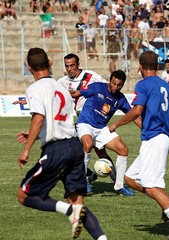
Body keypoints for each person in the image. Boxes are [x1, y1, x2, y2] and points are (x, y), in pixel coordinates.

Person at [16, 48, 107, 240]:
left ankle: (67, 211)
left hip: (57, 149)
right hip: (75, 148)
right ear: (49, 63)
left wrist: (27, 149)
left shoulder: (35, 88)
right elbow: (56, 118)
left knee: (24, 195)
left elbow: (39, 118)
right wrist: (35, 132)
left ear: (29, 67)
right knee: (78, 203)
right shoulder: (62, 89)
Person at [108, 51, 169, 240]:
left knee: (152, 186)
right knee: (129, 178)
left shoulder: (143, 84)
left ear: (140, 66)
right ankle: (167, 202)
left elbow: (137, 109)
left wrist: (116, 124)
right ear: (157, 66)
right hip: (158, 139)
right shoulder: (167, 87)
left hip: (154, 139)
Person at [75, 70, 141, 196]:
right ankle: (82, 182)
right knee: (88, 145)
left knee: (123, 150)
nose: (116, 87)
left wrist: (145, 130)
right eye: (114, 83)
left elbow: (133, 115)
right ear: (110, 80)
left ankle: (119, 186)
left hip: (101, 129)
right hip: (85, 124)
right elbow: (77, 93)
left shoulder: (120, 99)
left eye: (119, 85)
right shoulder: (97, 87)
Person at [58, 53, 117, 193]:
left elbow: (106, 87)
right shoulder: (62, 82)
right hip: (81, 120)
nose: (69, 69)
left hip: (94, 119)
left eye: (72, 65)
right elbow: (49, 93)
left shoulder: (90, 76)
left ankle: (118, 184)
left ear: (78, 65)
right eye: (67, 66)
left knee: (99, 152)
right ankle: (89, 175)